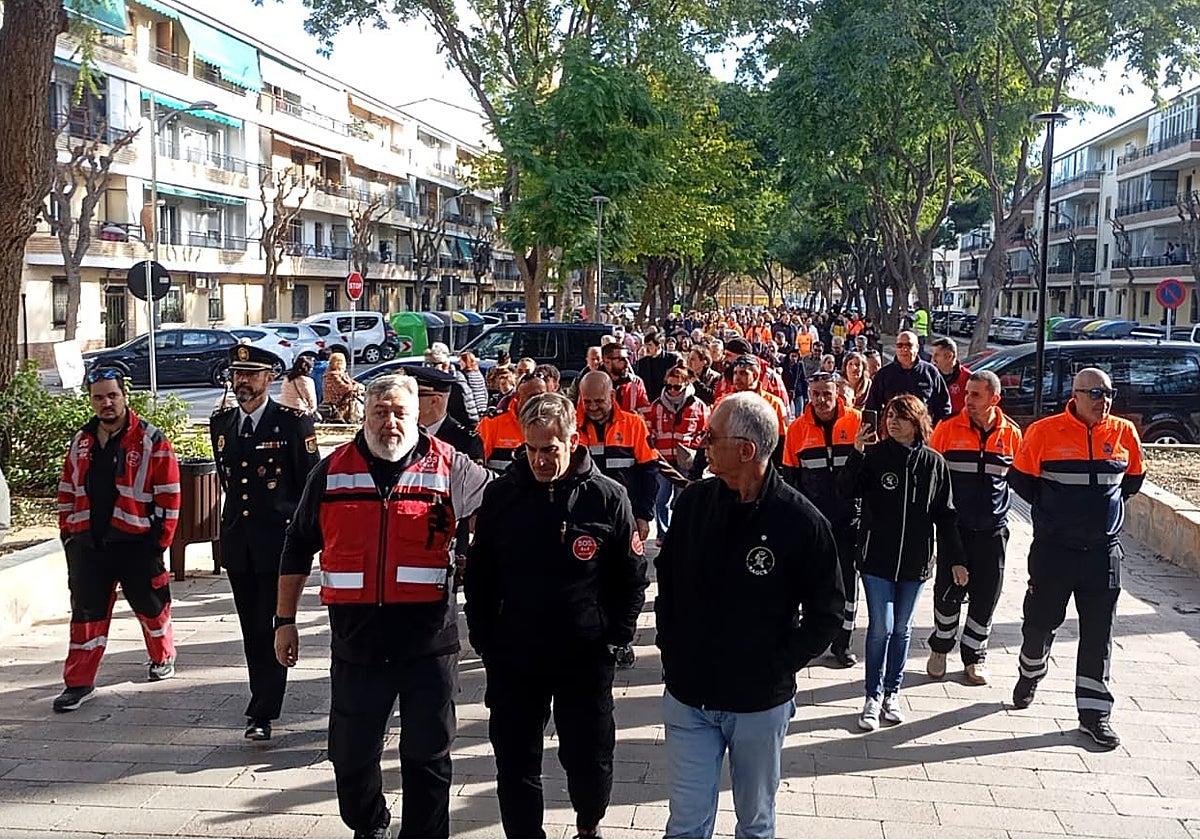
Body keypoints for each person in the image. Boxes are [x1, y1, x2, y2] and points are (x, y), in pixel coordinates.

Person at [275, 373, 494, 838]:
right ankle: (369, 824)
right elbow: (296, 545)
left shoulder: (451, 467)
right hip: (359, 644)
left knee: (428, 755)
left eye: (400, 412)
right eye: (380, 411)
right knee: (351, 756)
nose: (390, 422)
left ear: (418, 416)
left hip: (428, 644)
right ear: (365, 414)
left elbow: (505, 506)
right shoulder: (331, 470)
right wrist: (284, 621)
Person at [656, 392, 844, 839]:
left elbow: (827, 612)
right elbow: (667, 583)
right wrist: (671, 649)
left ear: (746, 449)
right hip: (690, 697)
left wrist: (774, 666)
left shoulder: (801, 522)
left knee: (756, 821)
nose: (702, 444)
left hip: (758, 704)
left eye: (711, 436)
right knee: (685, 823)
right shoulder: (694, 503)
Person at [466, 392, 649, 839]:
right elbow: (481, 577)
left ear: (572, 439)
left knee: (589, 756)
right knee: (514, 758)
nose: (540, 459)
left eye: (550, 449)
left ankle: (589, 824)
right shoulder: (502, 497)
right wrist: (486, 639)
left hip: (584, 656)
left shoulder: (607, 498)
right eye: (531, 449)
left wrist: (615, 636)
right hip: (516, 656)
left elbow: (631, 576)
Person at [1009, 367, 1144, 750]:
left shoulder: (1123, 433)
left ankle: (1094, 714)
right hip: (1054, 552)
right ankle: (1030, 671)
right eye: (1097, 394)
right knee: (1039, 624)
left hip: (1102, 554)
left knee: (1099, 634)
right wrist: (1055, 516)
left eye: (1109, 393)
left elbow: (1133, 481)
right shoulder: (1043, 432)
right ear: (1077, 394)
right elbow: (1022, 481)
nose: (1105, 401)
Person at [53, 368, 180, 712]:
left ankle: (163, 656)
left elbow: (169, 495)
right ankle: (78, 683)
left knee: (152, 608)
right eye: (98, 397)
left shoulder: (152, 439)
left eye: (112, 395)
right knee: (86, 615)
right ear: (91, 400)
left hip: (137, 544)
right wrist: (69, 534)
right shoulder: (82, 440)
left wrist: (159, 543)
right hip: (89, 546)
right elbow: (67, 489)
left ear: (124, 396)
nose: (106, 403)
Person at [211, 344, 320, 740]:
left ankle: (263, 709)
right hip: (239, 543)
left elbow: (310, 482)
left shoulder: (291, 423)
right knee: (251, 628)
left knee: (274, 624)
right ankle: (262, 699)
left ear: (269, 379)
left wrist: (305, 537)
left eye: (252, 375)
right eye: (237, 374)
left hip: (277, 543)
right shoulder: (221, 423)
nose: (243, 382)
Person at [837, 394, 961, 732]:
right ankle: (871, 697)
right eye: (889, 415)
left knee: (903, 629)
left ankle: (893, 692)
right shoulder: (875, 456)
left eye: (901, 417)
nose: (892, 422)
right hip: (876, 559)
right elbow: (846, 490)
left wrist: (957, 559)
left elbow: (946, 515)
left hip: (915, 562)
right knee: (882, 627)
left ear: (916, 422)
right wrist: (857, 453)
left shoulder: (934, 463)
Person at [926, 370, 1022, 686]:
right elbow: (931, 474)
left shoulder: (1011, 434)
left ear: (995, 399)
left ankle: (974, 657)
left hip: (993, 530)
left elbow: (1021, 479)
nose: (968, 400)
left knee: (986, 596)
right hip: (955, 528)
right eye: (967, 394)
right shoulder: (947, 429)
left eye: (976, 395)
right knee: (947, 593)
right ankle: (940, 647)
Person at [782, 372, 863, 667]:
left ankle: (843, 643)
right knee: (811, 580)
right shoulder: (797, 429)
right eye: (815, 394)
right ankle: (810, 639)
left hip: (849, 519)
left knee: (847, 584)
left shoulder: (856, 421)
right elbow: (790, 478)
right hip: (813, 521)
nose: (821, 400)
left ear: (837, 392)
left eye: (826, 393)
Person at [576, 371, 657, 547]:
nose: (592, 407)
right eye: (587, 401)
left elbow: (649, 472)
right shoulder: (572, 428)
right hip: (584, 517)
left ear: (611, 395)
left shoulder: (633, 425)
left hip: (626, 514)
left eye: (599, 401)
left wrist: (644, 515)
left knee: (629, 569)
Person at [647, 366, 710, 543]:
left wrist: (693, 443)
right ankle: (662, 534)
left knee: (684, 499)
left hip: (687, 459)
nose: (672, 391)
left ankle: (682, 533)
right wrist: (652, 439)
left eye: (677, 387)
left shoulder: (698, 405)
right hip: (663, 458)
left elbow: (705, 430)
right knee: (661, 499)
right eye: (669, 386)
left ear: (686, 385)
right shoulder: (657, 405)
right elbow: (649, 426)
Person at [863, 331, 951, 423]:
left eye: (909, 345)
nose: (904, 349)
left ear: (917, 347)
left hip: (924, 432)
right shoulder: (884, 374)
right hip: (893, 432)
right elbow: (872, 408)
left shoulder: (931, 372)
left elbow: (943, 406)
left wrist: (939, 431)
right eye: (900, 345)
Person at [409, 366, 484, 461]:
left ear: (434, 401)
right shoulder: (404, 432)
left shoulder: (466, 441)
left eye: (412, 397)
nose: (405, 402)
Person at [478, 373, 549, 472]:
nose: (538, 402)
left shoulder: (552, 424)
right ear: (518, 397)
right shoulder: (492, 423)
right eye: (533, 397)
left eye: (543, 396)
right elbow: (476, 466)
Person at [425, 342, 480, 430]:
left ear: (445, 365)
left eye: (432, 365)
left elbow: (470, 416)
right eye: (426, 364)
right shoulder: (424, 384)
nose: (428, 369)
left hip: (454, 434)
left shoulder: (457, 382)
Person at [600, 342, 652, 416]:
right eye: (621, 359)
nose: (627, 363)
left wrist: (637, 416)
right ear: (607, 361)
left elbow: (645, 410)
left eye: (628, 358)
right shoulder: (593, 383)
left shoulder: (635, 382)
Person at [634, 332, 682, 402]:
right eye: (645, 345)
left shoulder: (672, 359)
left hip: (668, 400)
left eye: (650, 345)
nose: (646, 348)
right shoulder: (641, 363)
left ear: (658, 346)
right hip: (648, 401)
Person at [930, 337, 971, 416]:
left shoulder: (967, 378)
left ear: (949, 356)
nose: (933, 359)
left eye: (937, 355)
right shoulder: (930, 374)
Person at [323, 352, 364, 424]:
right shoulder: (332, 375)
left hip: (346, 406)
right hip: (337, 406)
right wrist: (357, 387)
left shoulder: (343, 374)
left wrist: (358, 387)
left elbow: (354, 383)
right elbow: (343, 388)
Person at [458, 350, 490, 419]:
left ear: (466, 362)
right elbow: (485, 391)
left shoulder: (465, 375)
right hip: (483, 406)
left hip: (474, 407)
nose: (459, 363)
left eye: (461, 361)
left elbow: (468, 394)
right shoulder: (479, 374)